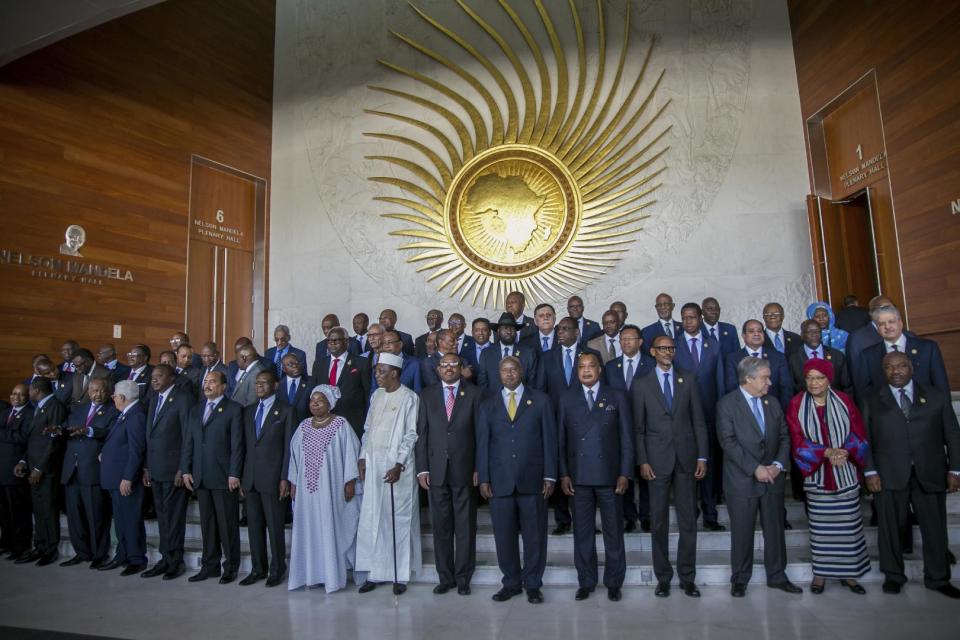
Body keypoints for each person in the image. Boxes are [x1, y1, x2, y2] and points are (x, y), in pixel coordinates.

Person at [863, 352, 960, 598]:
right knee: (890, 528)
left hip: (930, 471)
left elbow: (953, 435)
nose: (896, 371)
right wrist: (870, 470)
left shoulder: (936, 397)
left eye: (901, 366)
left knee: (935, 528)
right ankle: (894, 576)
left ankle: (938, 578)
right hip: (888, 473)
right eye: (889, 367)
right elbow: (865, 439)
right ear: (883, 370)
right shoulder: (872, 399)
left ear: (911, 368)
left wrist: (955, 469)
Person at [716, 357, 801, 597]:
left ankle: (777, 576)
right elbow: (728, 442)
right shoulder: (726, 404)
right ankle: (740, 578)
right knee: (742, 532)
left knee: (775, 529)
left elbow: (784, 436)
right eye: (765, 377)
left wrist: (777, 465)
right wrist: (755, 468)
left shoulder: (772, 403)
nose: (770, 382)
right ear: (748, 378)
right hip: (742, 479)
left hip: (772, 478)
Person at [476, 356, 556, 604]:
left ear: (521, 371)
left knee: (534, 536)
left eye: (513, 369)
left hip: (532, 479)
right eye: (504, 370)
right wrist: (484, 478)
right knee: (504, 535)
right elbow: (482, 444)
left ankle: (533, 584)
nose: (509, 374)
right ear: (498, 374)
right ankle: (510, 582)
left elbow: (550, 441)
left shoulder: (541, 400)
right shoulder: (488, 404)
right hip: (500, 481)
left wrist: (550, 475)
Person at [786, 358, 870, 594]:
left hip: (844, 472)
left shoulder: (844, 400)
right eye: (809, 378)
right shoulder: (796, 404)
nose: (814, 383)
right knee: (822, 530)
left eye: (819, 378)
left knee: (849, 527)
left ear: (828, 379)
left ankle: (850, 575)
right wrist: (825, 452)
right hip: (818, 477)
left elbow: (859, 432)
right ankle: (821, 574)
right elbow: (797, 440)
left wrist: (845, 451)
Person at [633, 335, 708, 597]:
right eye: (663, 348)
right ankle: (663, 577)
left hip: (686, 458)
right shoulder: (641, 384)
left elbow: (699, 421)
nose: (668, 352)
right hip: (656, 461)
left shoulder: (687, 379)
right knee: (659, 521)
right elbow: (638, 429)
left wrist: (702, 456)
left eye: (671, 348)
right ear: (652, 351)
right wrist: (642, 460)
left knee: (688, 520)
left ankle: (687, 577)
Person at [558, 352, 633, 602]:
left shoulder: (617, 396)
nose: (586, 370)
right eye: (581, 366)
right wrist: (564, 474)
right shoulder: (567, 399)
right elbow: (560, 441)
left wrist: (625, 472)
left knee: (613, 532)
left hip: (610, 476)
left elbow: (626, 439)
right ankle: (586, 581)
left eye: (591, 366)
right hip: (578, 477)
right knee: (583, 533)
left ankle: (613, 582)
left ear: (600, 370)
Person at [416, 352, 482, 595]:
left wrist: (479, 468)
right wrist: (422, 467)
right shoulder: (427, 394)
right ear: (438, 368)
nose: (449, 368)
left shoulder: (474, 393)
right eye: (444, 364)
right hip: (435, 471)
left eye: (454, 364)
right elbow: (422, 433)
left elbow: (480, 435)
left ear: (461, 367)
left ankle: (464, 578)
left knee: (465, 527)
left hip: (465, 470)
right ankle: (445, 577)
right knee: (441, 527)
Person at [355, 353, 422, 593]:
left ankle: (398, 575)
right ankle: (375, 572)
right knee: (374, 518)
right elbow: (367, 429)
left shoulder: (409, 398)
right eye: (376, 371)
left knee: (398, 520)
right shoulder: (376, 395)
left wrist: (399, 464)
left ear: (394, 372)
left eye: (381, 371)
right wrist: (363, 455)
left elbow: (411, 434)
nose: (377, 375)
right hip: (374, 465)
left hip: (398, 468)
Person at [288, 385, 362, 593]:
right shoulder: (303, 426)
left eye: (320, 400)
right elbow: (294, 458)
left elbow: (351, 453)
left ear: (330, 403)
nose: (315, 404)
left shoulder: (340, 425)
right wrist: (293, 482)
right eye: (312, 400)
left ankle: (331, 577)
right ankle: (311, 575)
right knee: (309, 529)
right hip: (306, 493)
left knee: (331, 527)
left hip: (332, 490)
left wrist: (350, 482)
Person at [181, 371, 244, 584]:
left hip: (224, 476)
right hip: (200, 475)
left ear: (224, 386)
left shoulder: (234, 409)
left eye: (212, 382)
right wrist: (186, 469)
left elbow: (237, 445)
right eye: (205, 382)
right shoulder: (196, 409)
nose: (207, 385)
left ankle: (231, 566)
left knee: (227, 525)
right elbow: (188, 441)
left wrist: (234, 473)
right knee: (207, 525)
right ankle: (210, 565)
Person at [673, 302, 725, 531]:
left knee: (709, 468)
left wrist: (722, 413)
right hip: (683, 419)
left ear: (700, 318)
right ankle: (690, 512)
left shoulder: (712, 345)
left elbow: (720, 382)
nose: (688, 322)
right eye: (684, 318)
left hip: (709, 416)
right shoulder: (673, 346)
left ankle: (710, 514)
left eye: (692, 317)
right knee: (686, 468)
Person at [240, 369, 292, 587]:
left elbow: (289, 448)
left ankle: (277, 568)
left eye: (264, 383)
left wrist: (285, 478)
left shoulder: (286, 411)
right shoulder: (248, 410)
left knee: (274, 526)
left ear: (275, 385)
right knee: (254, 527)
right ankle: (257, 568)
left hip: (273, 478)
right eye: (257, 383)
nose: (259, 386)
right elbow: (242, 446)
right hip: (250, 478)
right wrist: (242, 476)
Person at [141, 364, 192, 580]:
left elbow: (187, 435)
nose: (154, 380)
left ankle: (175, 561)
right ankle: (165, 558)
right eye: (153, 376)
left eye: (159, 376)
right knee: (162, 517)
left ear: (172, 378)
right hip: (156, 469)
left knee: (174, 517)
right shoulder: (154, 399)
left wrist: (183, 467)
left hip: (174, 471)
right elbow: (149, 436)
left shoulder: (182, 398)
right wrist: (146, 467)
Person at [59, 377, 117, 568]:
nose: (97, 394)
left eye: (100, 390)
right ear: (88, 391)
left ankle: (99, 554)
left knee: (96, 515)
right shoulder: (79, 409)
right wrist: (58, 430)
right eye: (93, 390)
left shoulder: (113, 410)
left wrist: (89, 430)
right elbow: (68, 429)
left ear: (108, 391)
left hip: (92, 470)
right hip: (72, 469)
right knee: (75, 516)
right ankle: (82, 552)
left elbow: (110, 433)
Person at [604, 323, 655, 532]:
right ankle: (628, 516)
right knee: (623, 471)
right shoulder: (610, 367)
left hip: (647, 427)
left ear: (640, 342)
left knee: (645, 473)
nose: (625, 342)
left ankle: (646, 515)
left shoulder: (651, 365)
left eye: (630, 338)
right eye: (622, 339)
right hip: (619, 428)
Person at [14, 377, 66, 566]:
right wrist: (24, 461)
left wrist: (39, 467)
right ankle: (40, 546)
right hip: (34, 466)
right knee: (39, 509)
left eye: (30, 389)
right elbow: (34, 439)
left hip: (46, 469)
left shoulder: (54, 406)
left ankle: (50, 550)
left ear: (37, 389)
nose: (28, 393)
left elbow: (53, 441)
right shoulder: (39, 406)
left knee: (48, 510)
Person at [98, 379, 148, 576]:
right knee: (120, 520)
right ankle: (122, 555)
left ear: (121, 397)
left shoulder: (136, 416)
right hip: (115, 479)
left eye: (114, 396)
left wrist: (128, 477)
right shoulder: (125, 414)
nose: (113, 399)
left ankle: (136, 559)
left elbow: (137, 450)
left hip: (125, 480)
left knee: (131, 519)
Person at [854, 305, 949, 403]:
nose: (887, 326)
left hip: (927, 410)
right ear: (877, 329)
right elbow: (864, 393)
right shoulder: (868, 356)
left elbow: (941, 386)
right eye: (882, 324)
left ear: (900, 323)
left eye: (891, 321)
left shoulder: (928, 348)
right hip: (889, 414)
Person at [312, 326, 371, 439]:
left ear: (346, 342)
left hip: (352, 421)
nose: (332, 343)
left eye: (336, 340)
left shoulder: (361, 363)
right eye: (329, 341)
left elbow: (367, 392)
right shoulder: (319, 364)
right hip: (325, 421)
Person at [724, 320, 794, 412]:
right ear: (743, 336)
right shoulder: (733, 359)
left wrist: (779, 411)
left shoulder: (778, 357)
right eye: (751, 331)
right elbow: (732, 388)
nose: (756, 334)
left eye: (760, 331)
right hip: (744, 412)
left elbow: (786, 389)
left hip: (773, 411)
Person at [0, 385, 34, 560]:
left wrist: (4, 434)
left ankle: (21, 546)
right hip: (1, 470)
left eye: (21, 395)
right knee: (4, 512)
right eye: (14, 394)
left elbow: (24, 438)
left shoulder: (30, 414)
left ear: (27, 397)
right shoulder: (5, 412)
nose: (16, 397)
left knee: (18, 512)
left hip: (16, 470)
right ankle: (6, 543)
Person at [477, 313, 540, 392]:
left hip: (522, 401)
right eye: (505, 328)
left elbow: (532, 382)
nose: (509, 331)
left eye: (512, 328)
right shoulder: (486, 354)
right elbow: (482, 383)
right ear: (499, 331)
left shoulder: (528, 353)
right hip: (494, 401)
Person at [788, 319, 852, 395]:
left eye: (817, 331)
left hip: (835, 402)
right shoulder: (793, 359)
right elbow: (791, 388)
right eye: (809, 331)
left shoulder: (837, 356)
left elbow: (847, 386)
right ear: (802, 335)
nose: (814, 334)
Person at [372, 329, 422, 394]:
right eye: (383, 343)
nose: (386, 346)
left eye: (389, 342)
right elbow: (373, 393)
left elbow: (418, 392)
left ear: (400, 344)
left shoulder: (415, 364)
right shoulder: (378, 366)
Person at [279, 353, 314, 427]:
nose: (295, 366)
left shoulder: (311, 382)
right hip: (283, 428)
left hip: (306, 426)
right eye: (290, 364)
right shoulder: (278, 386)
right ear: (284, 369)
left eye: (297, 363)